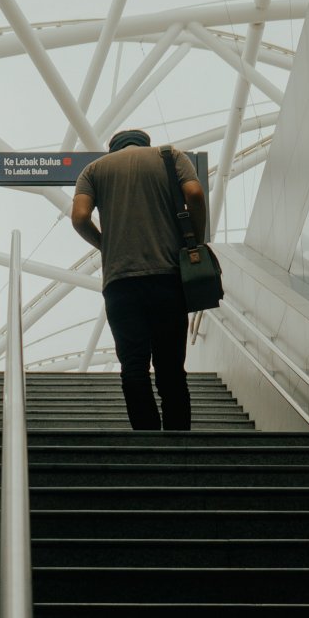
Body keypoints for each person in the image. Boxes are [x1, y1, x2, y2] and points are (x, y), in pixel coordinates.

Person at [71, 127, 204, 431]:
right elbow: (195, 193)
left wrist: (104, 244)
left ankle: (146, 439)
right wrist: (195, 241)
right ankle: (179, 442)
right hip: (168, 277)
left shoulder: (93, 170)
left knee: (133, 366)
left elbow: (79, 217)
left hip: (120, 283)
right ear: (145, 144)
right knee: (171, 368)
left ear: (113, 148)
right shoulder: (170, 156)